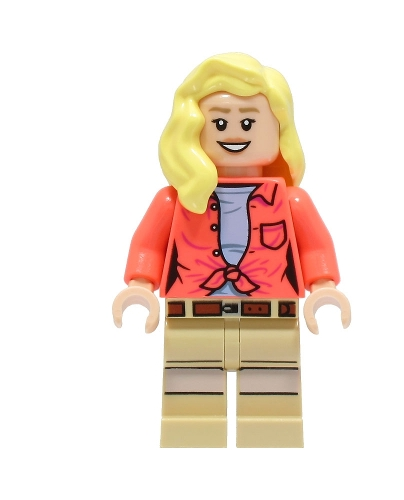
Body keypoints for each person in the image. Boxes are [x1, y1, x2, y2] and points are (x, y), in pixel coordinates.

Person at [112, 53, 351, 447]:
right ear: (192, 130)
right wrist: (139, 286)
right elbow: (148, 246)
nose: (234, 133)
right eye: (220, 123)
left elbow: (314, 248)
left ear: (279, 129)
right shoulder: (176, 200)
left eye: (249, 122)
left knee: (272, 403)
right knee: (190, 403)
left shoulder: (291, 201)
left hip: (271, 313)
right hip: (192, 313)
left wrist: (323, 287)